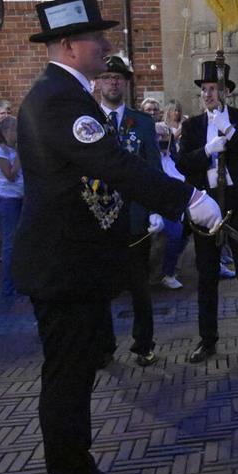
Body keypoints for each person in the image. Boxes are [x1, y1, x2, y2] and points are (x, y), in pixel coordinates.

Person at [13, 0, 220, 474]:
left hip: (74, 264)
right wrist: (186, 199)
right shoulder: (58, 98)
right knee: (67, 379)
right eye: (95, 37)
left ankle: (80, 469)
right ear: (67, 45)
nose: (105, 45)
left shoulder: (66, 93)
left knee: (78, 374)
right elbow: (112, 163)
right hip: (62, 266)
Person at [176, 60, 238, 362]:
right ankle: (207, 339)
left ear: (226, 91)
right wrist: (206, 151)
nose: (208, 94)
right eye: (204, 89)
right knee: (206, 276)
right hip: (207, 207)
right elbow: (182, 163)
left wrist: (229, 131)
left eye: (213, 89)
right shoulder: (193, 126)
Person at [96, 55, 165, 367]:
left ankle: (143, 343)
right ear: (98, 81)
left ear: (125, 83)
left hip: (136, 215)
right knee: (100, 287)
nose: (113, 82)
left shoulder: (143, 122)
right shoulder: (88, 121)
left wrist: (156, 208)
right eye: (108, 77)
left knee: (139, 286)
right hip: (98, 218)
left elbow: (153, 169)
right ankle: (103, 345)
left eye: (118, 78)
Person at [149, 121, 188, 289]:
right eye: (157, 136)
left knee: (184, 235)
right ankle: (165, 273)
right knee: (175, 233)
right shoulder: (151, 160)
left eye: (165, 135)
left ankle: (168, 270)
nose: (162, 139)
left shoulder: (172, 157)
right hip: (158, 204)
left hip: (177, 203)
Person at [0, 116, 24, 298]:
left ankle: (21, 280)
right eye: (15, 130)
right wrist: (20, 155)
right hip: (8, 199)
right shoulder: (0, 151)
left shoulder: (13, 149)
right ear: (6, 132)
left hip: (22, 196)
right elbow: (10, 174)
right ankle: (7, 286)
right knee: (9, 243)